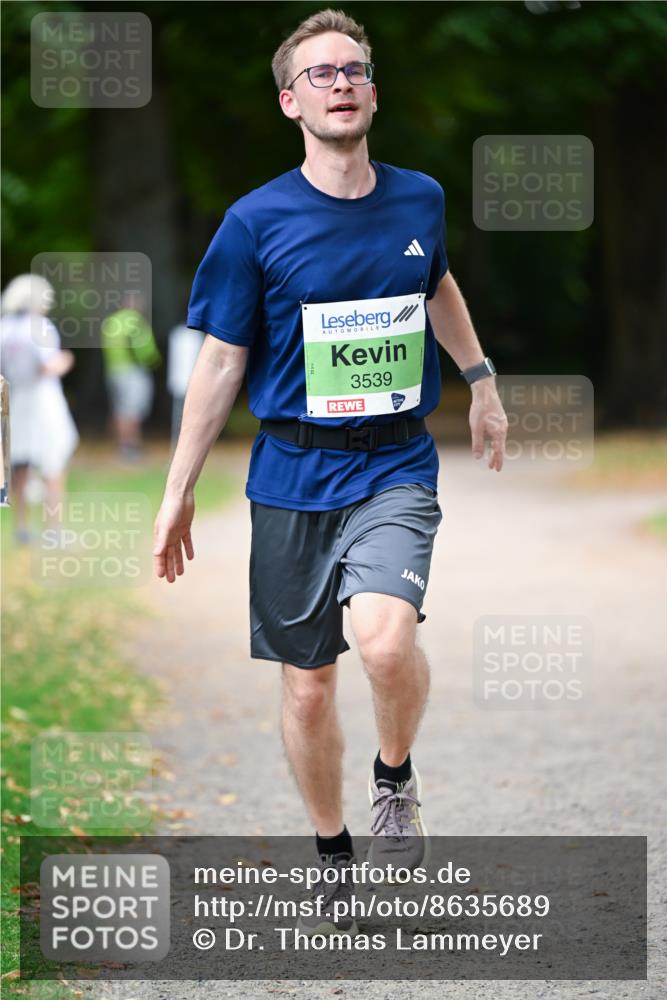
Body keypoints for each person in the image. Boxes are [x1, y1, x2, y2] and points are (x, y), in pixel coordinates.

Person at [153, 8, 508, 933]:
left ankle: (393, 778)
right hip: (289, 473)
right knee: (307, 684)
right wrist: (177, 489)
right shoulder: (252, 222)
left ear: (373, 91)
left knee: (384, 642)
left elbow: (437, 286)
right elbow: (222, 361)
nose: (341, 81)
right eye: (320, 73)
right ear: (289, 101)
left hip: (394, 463)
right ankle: (330, 849)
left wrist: (479, 380)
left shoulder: (419, 198)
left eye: (355, 68)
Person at [0, 274, 79, 544]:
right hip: (43, 401)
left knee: (19, 466)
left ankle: (22, 528)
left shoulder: (5, 328)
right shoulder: (40, 327)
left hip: (14, 399)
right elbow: (49, 366)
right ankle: (53, 530)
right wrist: (67, 359)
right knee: (54, 464)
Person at [101, 291, 161, 461]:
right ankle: (132, 447)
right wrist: (154, 361)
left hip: (113, 370)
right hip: (133, 371)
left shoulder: (112, 322)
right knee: (132, 410)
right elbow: (145, 350)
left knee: (119, 409)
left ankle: (121, 446)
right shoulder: (135, 322)